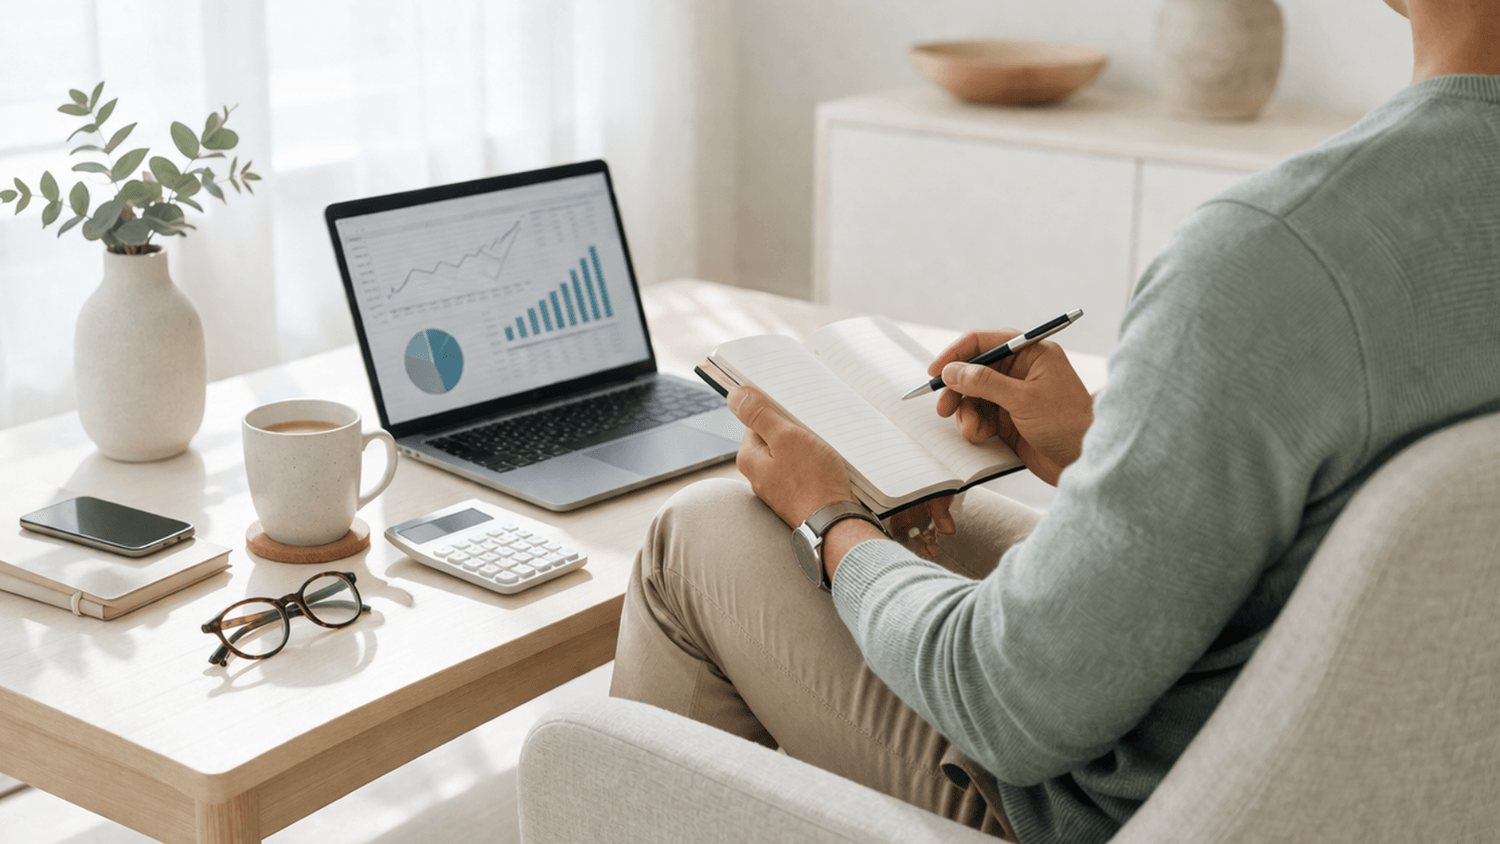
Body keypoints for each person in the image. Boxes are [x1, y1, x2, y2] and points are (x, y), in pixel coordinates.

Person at [609, 1, 1500, 841]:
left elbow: (1006, 706)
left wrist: (831, 522)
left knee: (697, 537)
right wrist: (1101, 451)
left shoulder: (1283, 251)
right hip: (1382, 785)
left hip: (1112, 805)